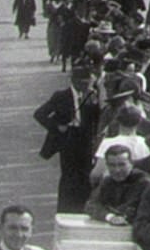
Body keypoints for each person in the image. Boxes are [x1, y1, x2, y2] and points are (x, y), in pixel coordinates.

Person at [33, 65, 100, 212]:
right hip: (68, 138)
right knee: (69, 175)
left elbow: (97, 119)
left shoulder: (92, 95)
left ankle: (83, 206)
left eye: (88, 82)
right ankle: (66, 208)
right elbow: (39, 114)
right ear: (74, 81)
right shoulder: (61, 96)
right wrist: (56, 126)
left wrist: (95, 103)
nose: (86, 85)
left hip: (85, 139)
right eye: (83, 82)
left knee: (86, 174)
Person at [84, 144, 150, 225]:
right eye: (112, 165)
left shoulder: (145, 183)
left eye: (122, 164)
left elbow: (132, 210)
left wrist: (108, 211)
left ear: (131, 164)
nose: (117, 170)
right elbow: (91, 206)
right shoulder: (107, 181)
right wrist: (110, 217)